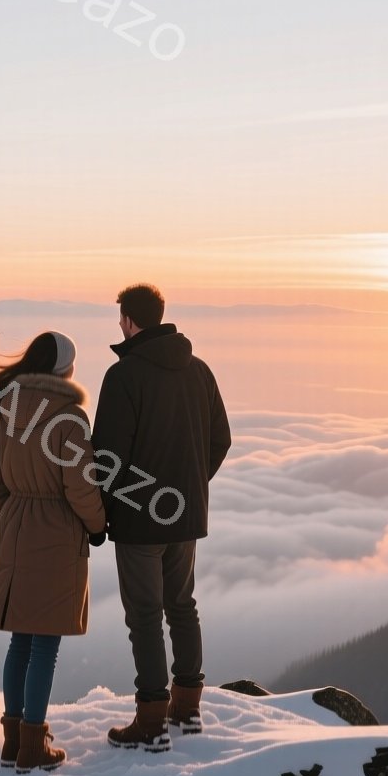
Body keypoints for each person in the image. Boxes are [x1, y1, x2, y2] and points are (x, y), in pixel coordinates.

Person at [0, 330, 108, 773]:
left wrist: (18, 515)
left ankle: (12, 741)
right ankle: (33, 744)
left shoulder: (6, 411)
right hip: (57, 539)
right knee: (45, 645)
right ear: (65, 369)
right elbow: (80, 487)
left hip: (13, 533)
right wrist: (96, 526)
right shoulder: (68, 419)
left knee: (20, 642)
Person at [92, 284, 230, 752]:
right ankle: (187, 708)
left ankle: (150, 720)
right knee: (182, 605)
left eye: (120, 320)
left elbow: (106, 459)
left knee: (145, 615)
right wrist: (189, 490)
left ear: (130, 321)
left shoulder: (124, 377)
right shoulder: (200, 371)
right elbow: (221, 440)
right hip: (185, 516)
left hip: (138, 521)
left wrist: (105, 513)